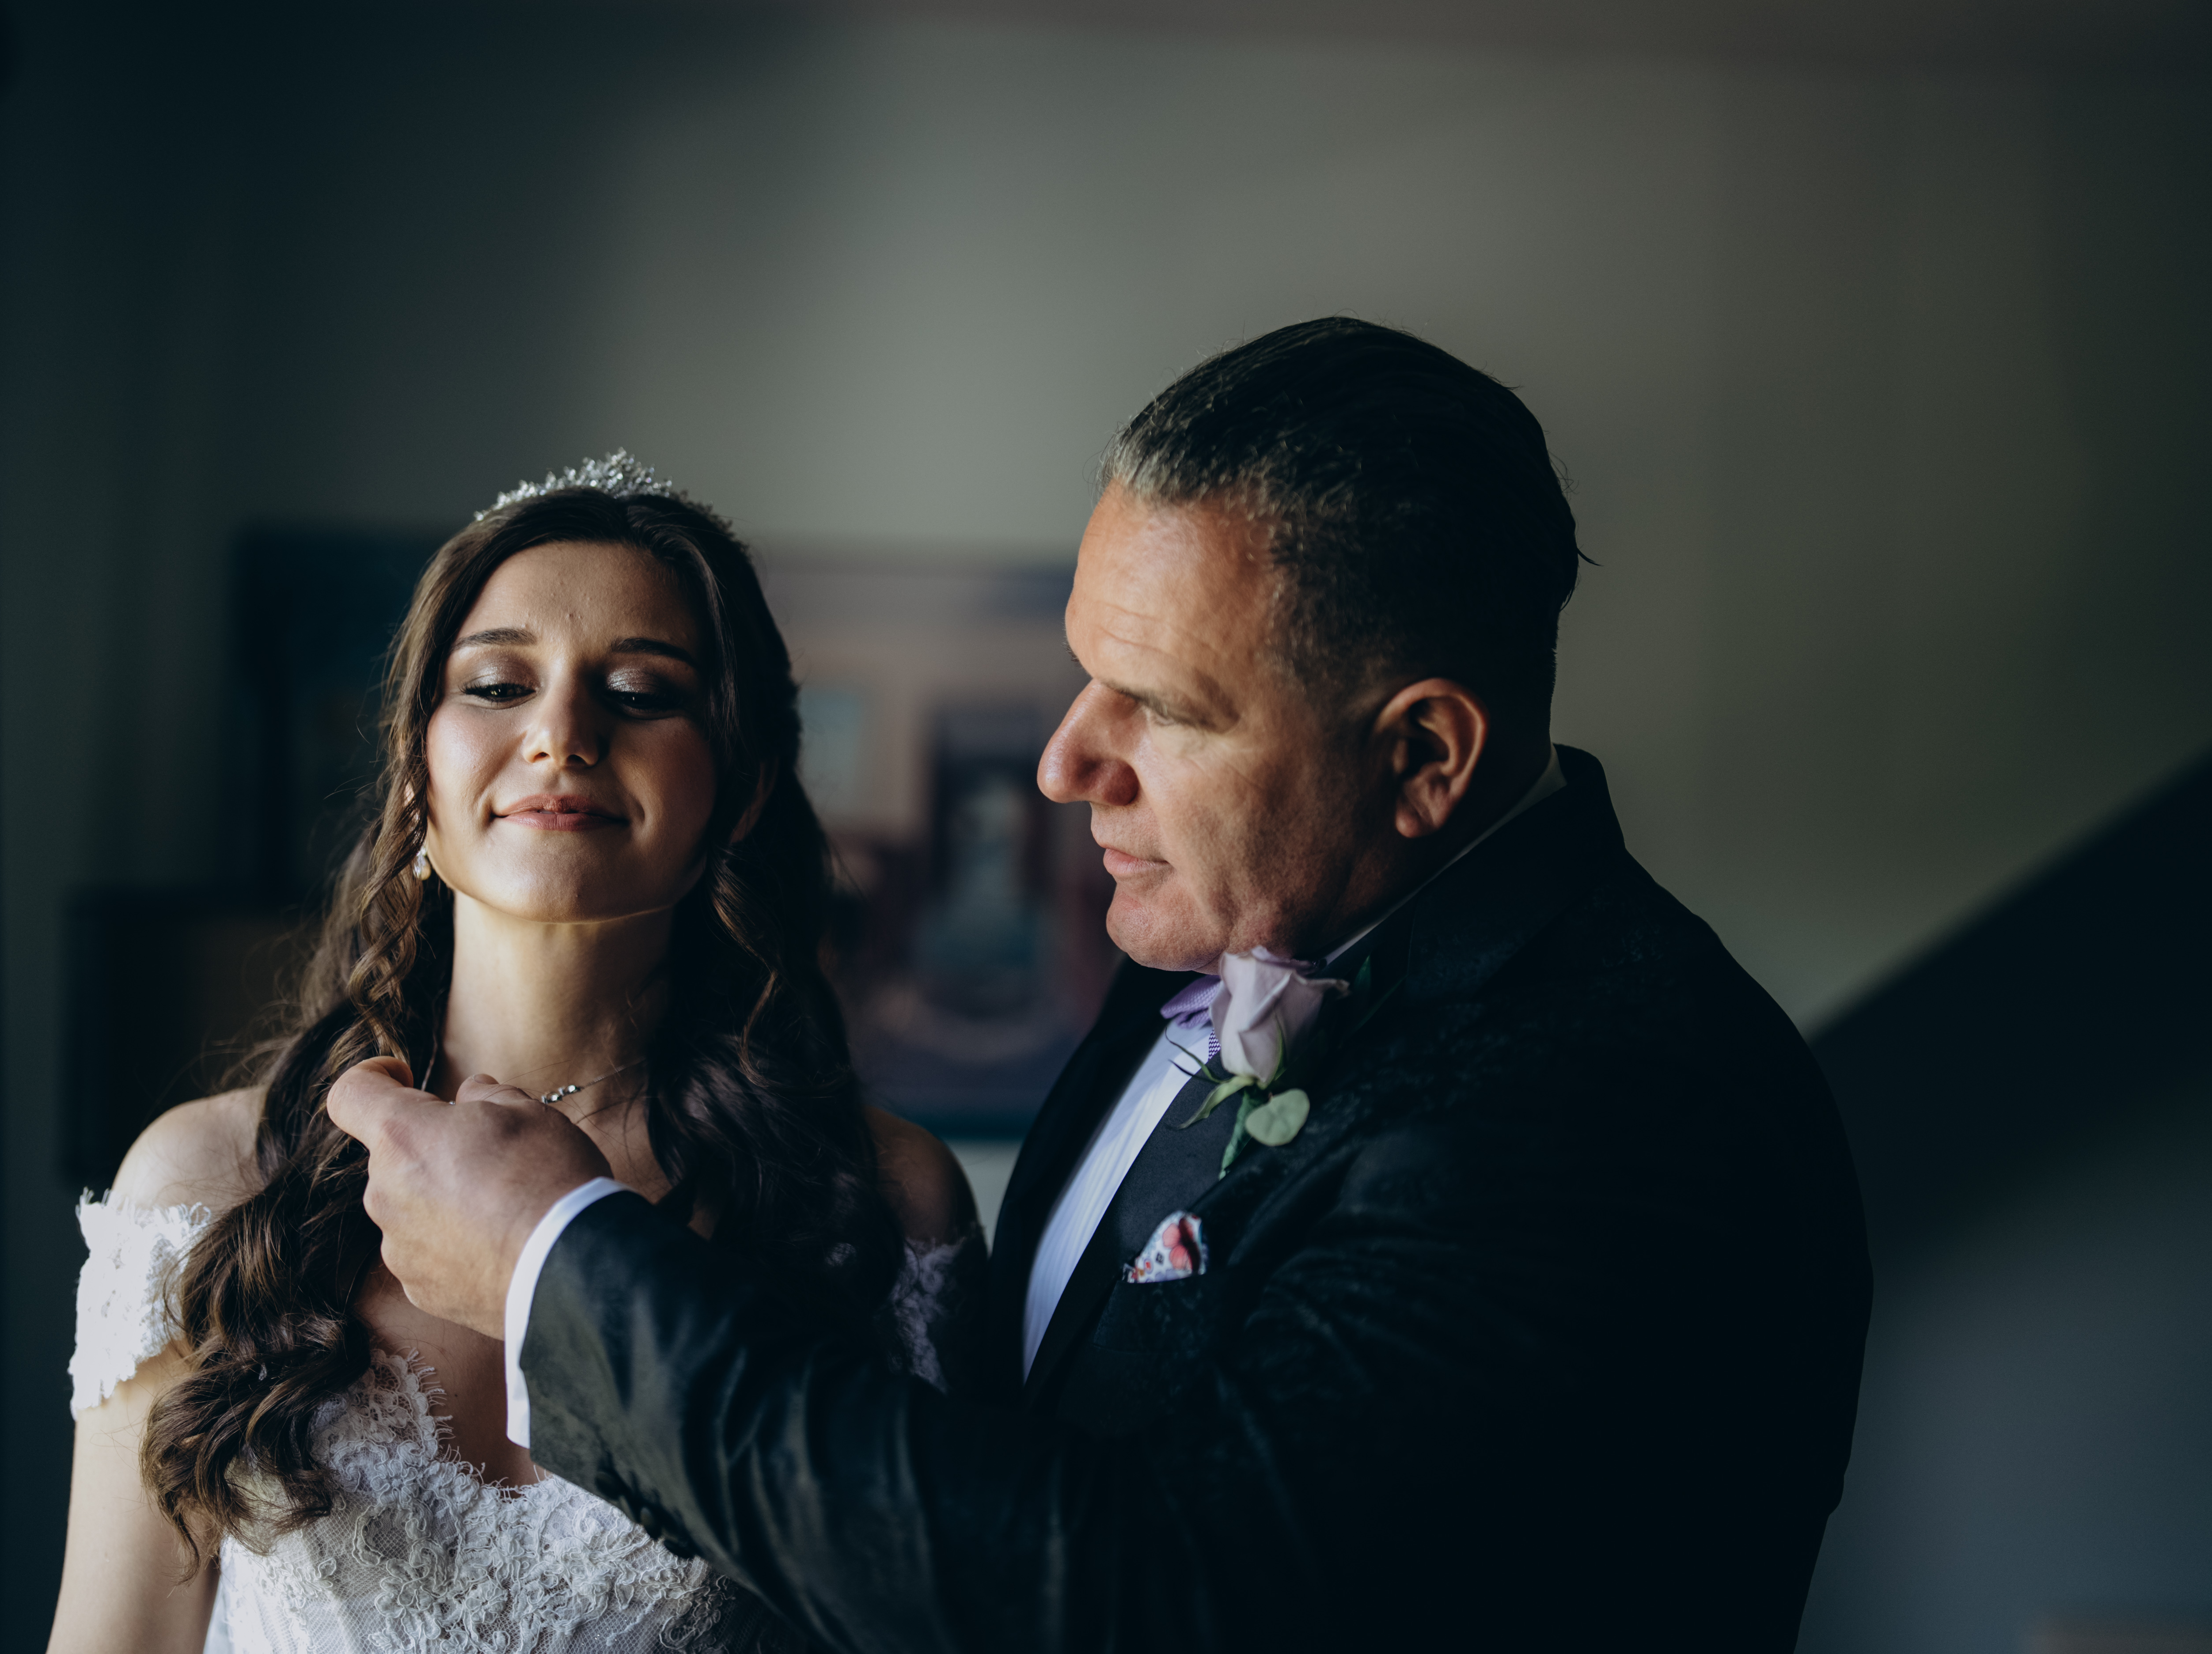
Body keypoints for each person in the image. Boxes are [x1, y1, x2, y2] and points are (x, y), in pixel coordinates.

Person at [331, 319, 1875, 1653]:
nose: (1066, 764)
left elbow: (1146, 1594)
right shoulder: (1231, 928)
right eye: (1087, 673)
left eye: (1162, 709)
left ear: (1422, 756)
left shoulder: (1616, 1108)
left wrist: (556, 1266)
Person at [47, 457, 982, 1654]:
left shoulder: (879, 1203)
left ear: (741, 786)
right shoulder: (208, 1186)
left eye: (640, 692)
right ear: (416, 770)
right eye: (497, 686)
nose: (561, 734)